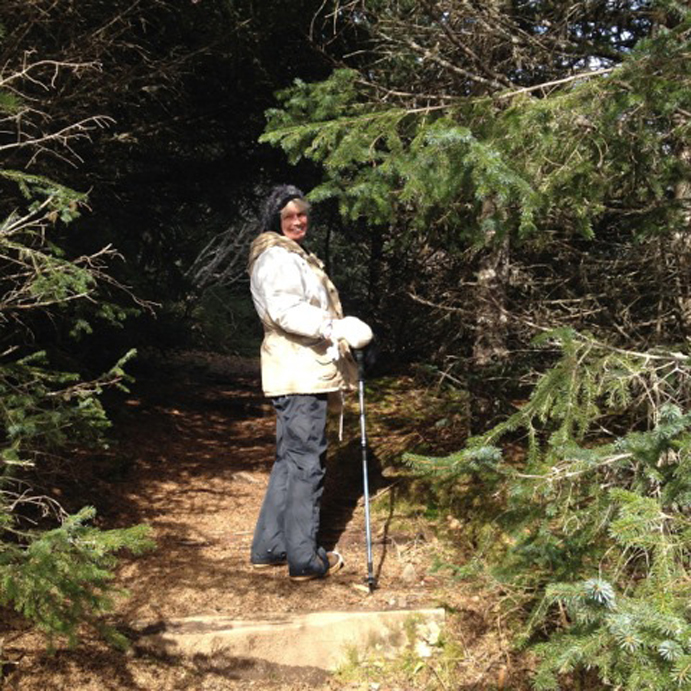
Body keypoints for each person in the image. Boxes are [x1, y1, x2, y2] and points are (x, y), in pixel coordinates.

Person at [247, 184, 373, 581]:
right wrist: (334, 327)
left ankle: (270, 547)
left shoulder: (291, 256)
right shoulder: (276, 257)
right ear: (275, 220)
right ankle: (304, 558)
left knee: (291, 460)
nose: (298, 221)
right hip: (298, 371)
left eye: (302, 214)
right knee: (306, 463)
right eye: (289, 216)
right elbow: (285, 310)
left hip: (299, 369)